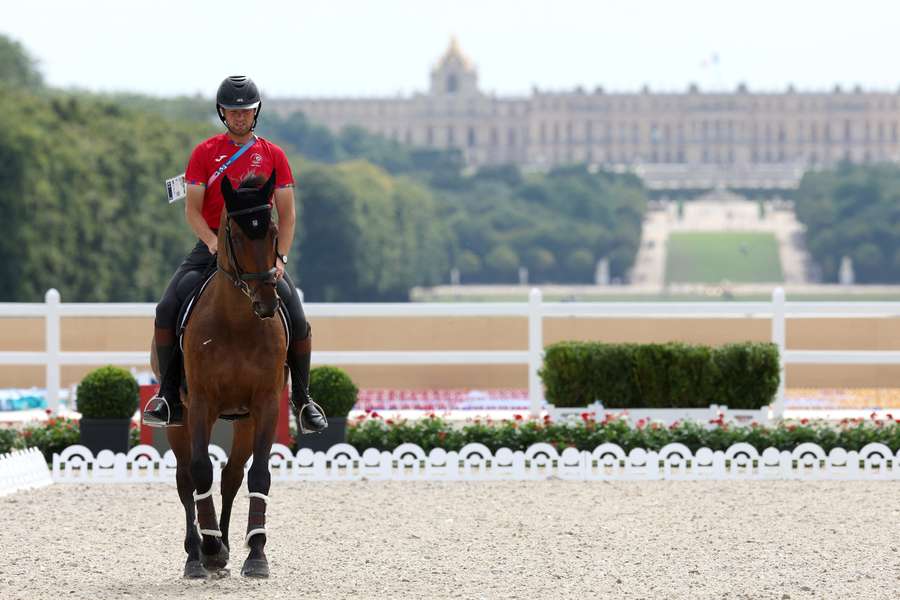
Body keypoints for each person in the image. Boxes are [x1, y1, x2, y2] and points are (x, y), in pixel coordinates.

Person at [142, 75, 327, 434]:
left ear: (255, 112)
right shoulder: (205, 153)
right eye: (232, 111)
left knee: (298, 318)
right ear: (222, 113)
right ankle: (167, 395)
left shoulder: (274, 156)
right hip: (212, 246)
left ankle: (303, 399)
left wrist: (280, 260)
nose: (239, 117)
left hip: (259, 254)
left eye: (245, 111)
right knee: (166, 308)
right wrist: (211, 242)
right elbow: (192, 210)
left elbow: (287, 215)